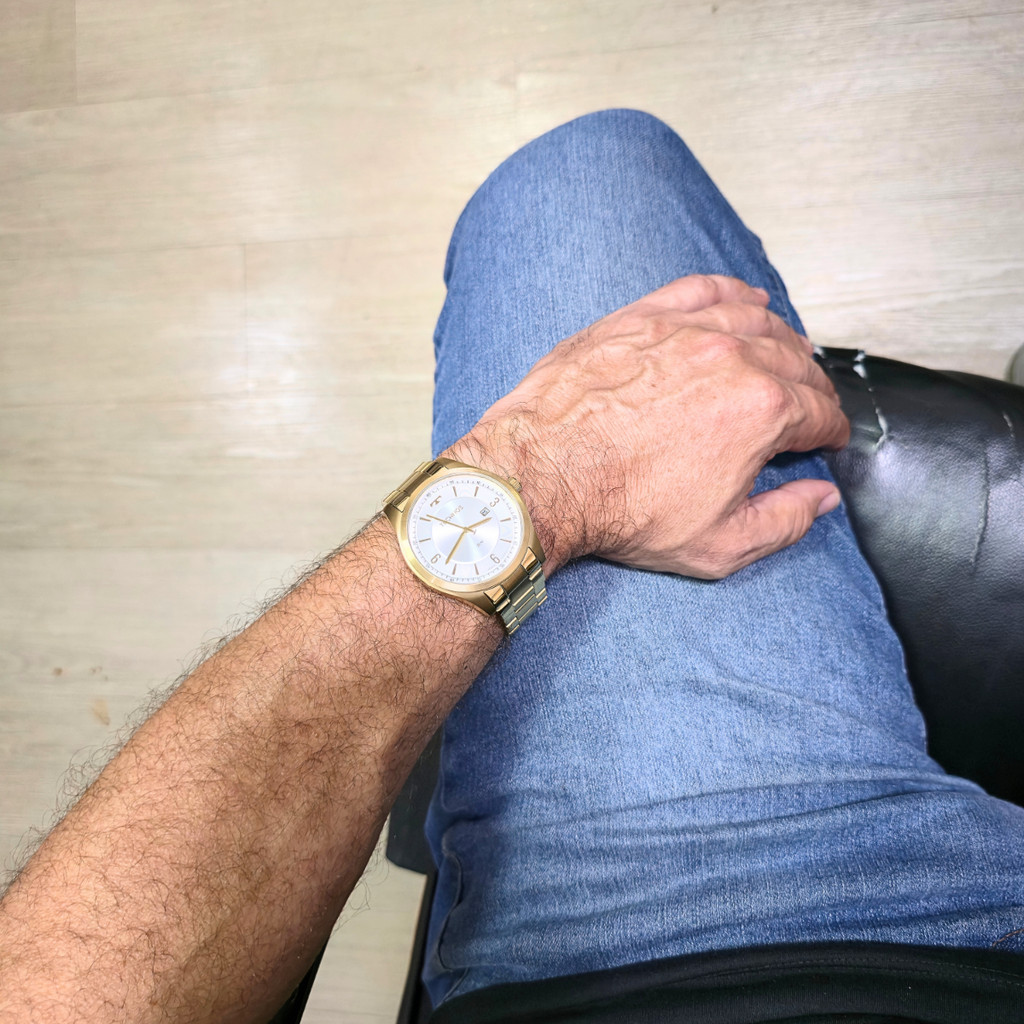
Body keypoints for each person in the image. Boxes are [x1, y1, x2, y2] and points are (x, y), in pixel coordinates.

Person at [0, 109, 1021, 1023]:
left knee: (581, 174)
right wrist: (547, 478)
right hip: (744, 942)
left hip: (695, 943)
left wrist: (535, 483)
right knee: (594, 169)